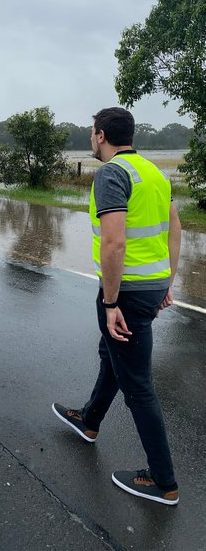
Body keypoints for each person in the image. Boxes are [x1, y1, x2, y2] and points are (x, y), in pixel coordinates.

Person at [52, 106, 182, 506]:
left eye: (92, 133)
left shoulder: (112, 174)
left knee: (137, 385)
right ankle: (89, 420)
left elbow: (114, 243)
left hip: (125, 292)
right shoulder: (153, 172)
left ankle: (163, 481)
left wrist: (110, 303)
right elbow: (174, 229)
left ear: (101, 135)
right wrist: (166, 282)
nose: (91, 139)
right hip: (150, 285)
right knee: (112, 354)